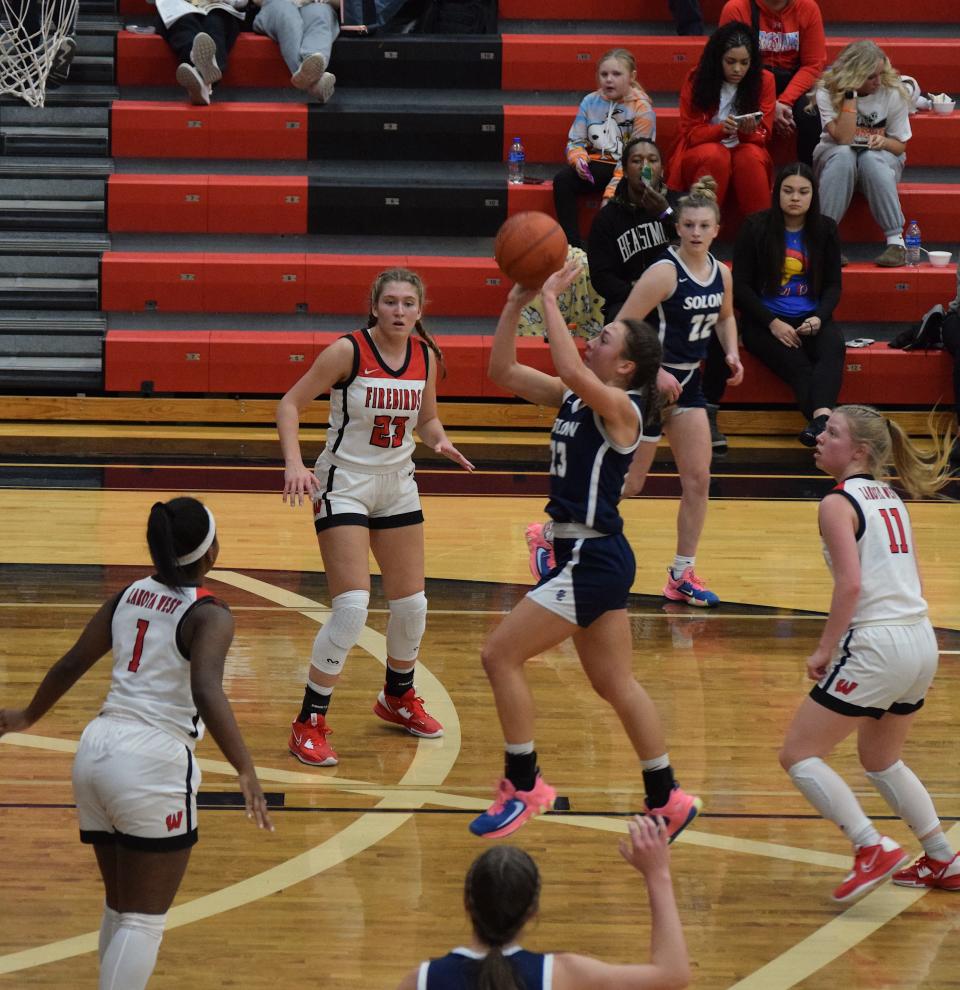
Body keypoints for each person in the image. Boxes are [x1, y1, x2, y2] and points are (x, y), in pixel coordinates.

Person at [470, 259, 701, 841]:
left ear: (625, 365)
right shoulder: (575, 398)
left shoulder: (622, 409)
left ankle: (524, 785)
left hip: (591, 558)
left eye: (603, 337)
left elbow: (570, 365)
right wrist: (513, 303)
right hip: (596, 555)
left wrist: (547, 295)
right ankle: (667, 797)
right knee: (615, 683)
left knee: (499, 656)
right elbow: (502, 370)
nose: (591, 339)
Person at [0, 497, 273, 990]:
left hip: (95, 751)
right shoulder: (210, 615)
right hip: (152, 761)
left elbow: (69, 664)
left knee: (121, 906)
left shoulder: (128, 595)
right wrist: (245, 768)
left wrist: (25, 716)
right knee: (144, 920)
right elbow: (206, 690)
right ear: (211, 554)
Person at [278, 267, 474, 767]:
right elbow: (290, 404)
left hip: (396, 484)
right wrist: (295, 464)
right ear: (375, 306)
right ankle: (309, 721)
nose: (400, 311)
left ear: (420, 311)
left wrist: (440, 440)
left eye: (409, 303)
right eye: (391, 302)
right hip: (343, 482)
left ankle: (397, 698)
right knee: (352, 607)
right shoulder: (347, 351)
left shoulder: (425, 356)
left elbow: (427, 419)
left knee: (413, 606)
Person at [779, 405, 959, 902]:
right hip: (920, 638)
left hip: (878, 643)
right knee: (882, 759)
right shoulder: (891, 498)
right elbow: (915, 578)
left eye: (831, 432)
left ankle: (870, 846)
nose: (819, 437)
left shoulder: (837, 502)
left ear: (858, 451)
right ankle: (943, 856)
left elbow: (850, 585)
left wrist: (825, 648)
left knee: (798, 754)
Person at [617, 177, 744, 607]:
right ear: (678, 228)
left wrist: (731, 353)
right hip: (650, 384)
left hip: (687, 385)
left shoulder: (721, 273)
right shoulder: (664, 271)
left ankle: (680, 573)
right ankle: (554, 534)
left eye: (703, 225)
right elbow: (623, 328)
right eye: (688, 224)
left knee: (698, 479)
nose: (694, 231)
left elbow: (725, 317)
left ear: (716, 230)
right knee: (631, 483)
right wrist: (653, 374)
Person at [396, 816, 691, 989]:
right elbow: (673, 973)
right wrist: (657, 875)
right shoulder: (564, 975)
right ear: (532, 911)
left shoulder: (421, 980)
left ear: (466, 904)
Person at [733, 162, 844, 447]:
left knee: (834, 347)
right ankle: (828, 426)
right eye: (788, 191)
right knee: (799, 366)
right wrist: (773, 323)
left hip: (811, 318)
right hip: (764, 321)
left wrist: (819, 318)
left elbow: (833, 285)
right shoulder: (754, 227)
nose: (795, 198)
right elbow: (740, 287)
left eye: (803, 192)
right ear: (777, 193)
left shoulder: (826, 229)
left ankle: (820, 422)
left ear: (813, 196)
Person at [813, 40, 913, 268]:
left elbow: (900, 146)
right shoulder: (827, 90)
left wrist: (884, 141)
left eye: (879, 74)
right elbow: (844, 138)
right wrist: (850, 96)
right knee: (845, 154)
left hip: (880, 158)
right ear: (853, 76)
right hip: (834, 158)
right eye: (870, 77)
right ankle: (824, 242)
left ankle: (897, 243)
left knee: (869, 158)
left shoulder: (892, 92)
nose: (878, 81)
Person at [666, 21, 776, 220]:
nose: (737, 69)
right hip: (705, 148)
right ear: (718, 59)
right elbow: (690, 133)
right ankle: (701, 225)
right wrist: (721, 130)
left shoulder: (764, 80)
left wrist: (745, 131)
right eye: (730, 61)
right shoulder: (697, 78)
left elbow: (764, 135)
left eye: (744, 63)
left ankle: (762, 234)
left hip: (745, 147)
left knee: (751, 156)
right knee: (717, 155)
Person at [554, 48, 656, 248]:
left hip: (630, 169)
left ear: (631, 77)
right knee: (563, 180)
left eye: (616, 74)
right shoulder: (590, 101)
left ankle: (611, 249)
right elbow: (575, 140)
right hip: (599, 163)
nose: (609, 80)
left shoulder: (643, 108)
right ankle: (572, 246)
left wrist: (610, 194)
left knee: (631, 185)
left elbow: (637, 156)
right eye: (604, 74)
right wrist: (579, 161)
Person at [718, 0, 827, 165]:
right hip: (750, 81)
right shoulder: (737, 8)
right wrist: (769, 105)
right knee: (741, 114)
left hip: (793, 81)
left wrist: (784, 101)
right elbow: (730, 61)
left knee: (810, 112)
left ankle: (807, 178)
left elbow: (813, 64)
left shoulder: (808, 8)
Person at [155, 0, 247, 106]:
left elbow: (242, 2)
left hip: (218, 8)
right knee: (184, 24)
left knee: (215, 23)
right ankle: (203, 74)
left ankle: (199, 74)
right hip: (179, 8)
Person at [252, 0, 338, 103]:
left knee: (320, 12)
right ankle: (314, 81)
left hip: (313, 5)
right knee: (287, 15)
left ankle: (312, 60)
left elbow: (338, 3)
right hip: (275, 6)